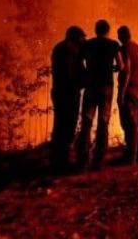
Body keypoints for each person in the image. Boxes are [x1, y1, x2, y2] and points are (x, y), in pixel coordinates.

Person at [76, 19, 124, 171]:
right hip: (106, 87)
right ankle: (99, 161)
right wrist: (113, 68)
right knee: (103, 122)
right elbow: (121, 65)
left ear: (96, 30)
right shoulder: (113, 44)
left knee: (87, 122)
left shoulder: (87, 45)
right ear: (108, 31)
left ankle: (82, 161)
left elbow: (79, 62)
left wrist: (86, 73)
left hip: (90, 86)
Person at [50, 25, 87, 173]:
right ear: (75, 37)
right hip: (70, 92)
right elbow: (76, 73)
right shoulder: (73, 50)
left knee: (59, 125)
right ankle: (63, 163)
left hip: (58, 91)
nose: (83, 40)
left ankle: (57, 160)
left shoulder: (58, 47)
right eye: (81, 37)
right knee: (68, 126)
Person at [117, 25, 138, 165]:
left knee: (130, 124)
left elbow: (127, 71)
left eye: (118, 35)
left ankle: (131, 157)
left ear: (121, 36)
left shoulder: (124, 48)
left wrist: (121, 92)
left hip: (130, 89)